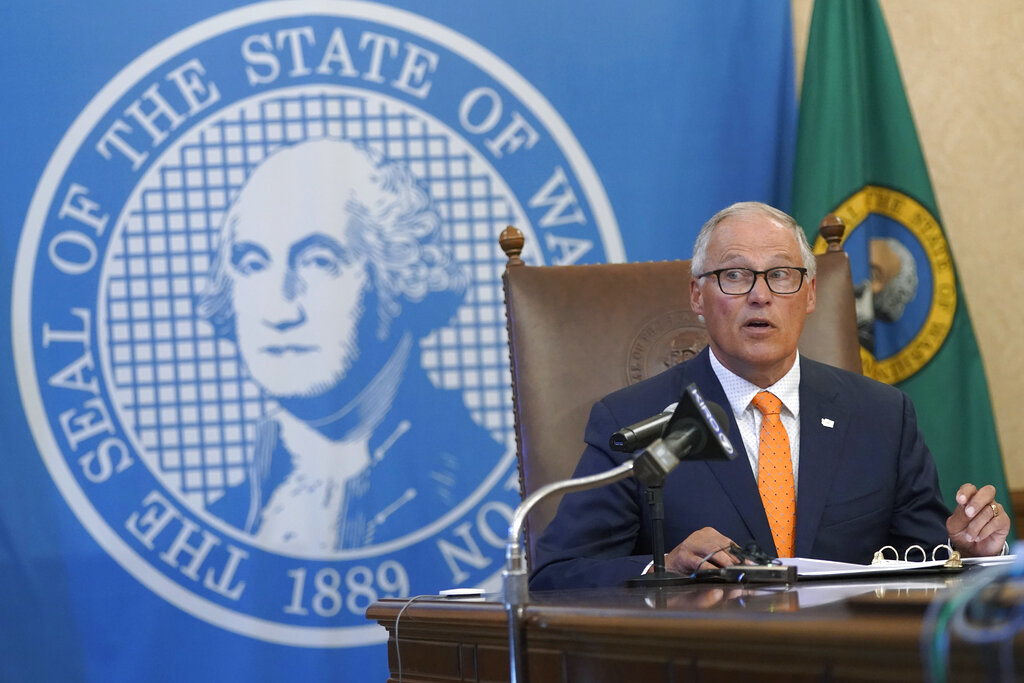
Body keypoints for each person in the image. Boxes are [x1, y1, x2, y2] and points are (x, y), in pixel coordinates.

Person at [529, 201, 1009, 589]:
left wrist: (966, 553)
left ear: (811, 294)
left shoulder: (881, 416)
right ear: (697, 296)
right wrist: (666, 568)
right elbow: (557, 573)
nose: (761, 296)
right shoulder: (636, 420)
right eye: (735, 276)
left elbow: (922, 559)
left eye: (781, 275)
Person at [198, 138, 502, 553]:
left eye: (319, 261)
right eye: (252, 264)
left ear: (397, 277)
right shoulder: (226, 520)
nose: (279, 309)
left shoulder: (478, 487)